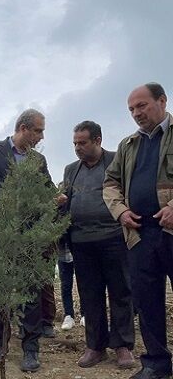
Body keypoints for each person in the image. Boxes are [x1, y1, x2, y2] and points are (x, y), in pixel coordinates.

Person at [0, 108, 54, 372]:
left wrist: (58, 197)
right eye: (38, 130)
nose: (41, 136)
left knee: (30, 290)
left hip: (28, 235)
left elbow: (48, 190)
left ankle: (30, 347)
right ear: (23, 128)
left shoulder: (38, 160)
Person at [104, 82, 173, 379]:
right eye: (132, 109)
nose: (136, 113)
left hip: (171, 233)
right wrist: (121, 211)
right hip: (140, 236)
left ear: (162, 100)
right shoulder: (127, 145)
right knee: (147, 301)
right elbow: (110, 184)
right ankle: (156, 363)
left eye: (142, 105)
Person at [63, 120, 135, 369]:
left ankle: (123, 346)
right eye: (74, 143)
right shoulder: (71, 170)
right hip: (81, 242)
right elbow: (67, 201)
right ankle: (95, 346)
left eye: (82, 143)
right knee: (89, 295)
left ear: (98, 140)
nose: (77, 147)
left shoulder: (117, 161)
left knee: (121, 292)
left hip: (114, 238)